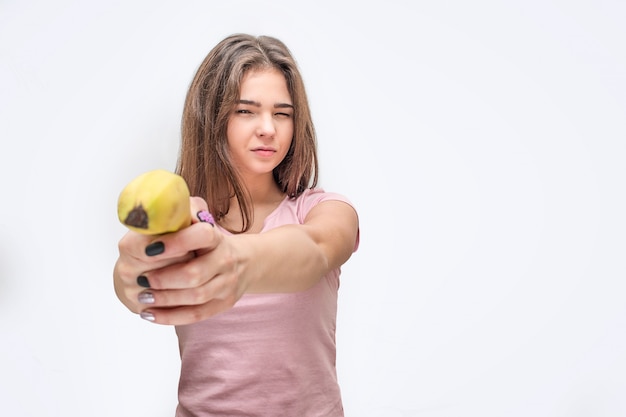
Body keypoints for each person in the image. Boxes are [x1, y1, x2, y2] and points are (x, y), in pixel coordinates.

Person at [113, 33, 360, 416]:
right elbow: (129, 279)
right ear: (214, 117)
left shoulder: (326, 211)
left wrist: (235, 259)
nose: (268, 128)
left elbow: (314, 250)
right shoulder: (185, 225)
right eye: (246, 111)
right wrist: (133, 279)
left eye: (282, 113)